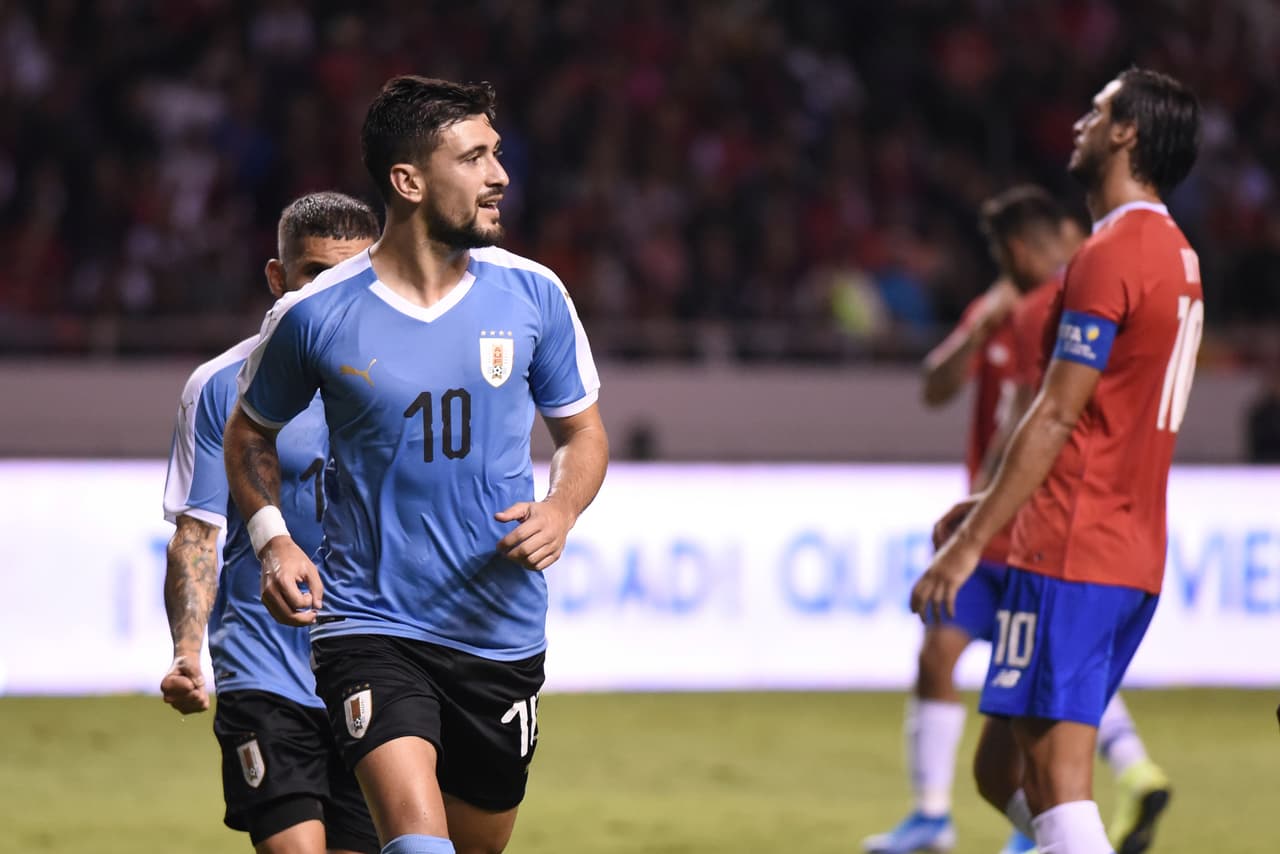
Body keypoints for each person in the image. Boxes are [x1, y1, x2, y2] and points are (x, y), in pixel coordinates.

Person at [224, 76, 609, 854]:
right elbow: (248, 435)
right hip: (371, 624)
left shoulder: (535, 296)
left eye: (496, 154)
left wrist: (562, 507)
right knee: (414, 841)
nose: (500, 175)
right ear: (409, 180)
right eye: (475, 158)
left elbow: (584, 436)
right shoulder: (317, 314)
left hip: (499, 630)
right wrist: (275, 539)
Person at [912, 67, 1201, 854]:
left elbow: (1059, 409)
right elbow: (1113, 412)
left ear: (1127, 133)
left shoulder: (1111, 253)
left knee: (1052, 780)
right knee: (998, 770)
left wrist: (972, 546)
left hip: (1073, 546)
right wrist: (990, 504)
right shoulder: (1179, 255)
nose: (1081, 121)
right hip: (1129, 549)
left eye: (1098, 111)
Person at [867, 188, 1168, 854]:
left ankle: (1062, 818)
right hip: (1031, 534)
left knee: (1037, 711)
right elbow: (937, 385)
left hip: (1036, 535)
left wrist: (976, 512)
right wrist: (978, 330)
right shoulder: (1004, 310)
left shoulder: (1058, 308)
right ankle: (946, 818)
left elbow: (1036, 418)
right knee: (967, 669)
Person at [161, 191, 381, 854]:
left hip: (376, 662)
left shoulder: (398, 383)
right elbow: (198, 534)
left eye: (350, 274)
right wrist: (186, 652)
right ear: (278, 278)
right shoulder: (221, 385)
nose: (330, 292)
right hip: (263, 669)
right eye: (315, 273)